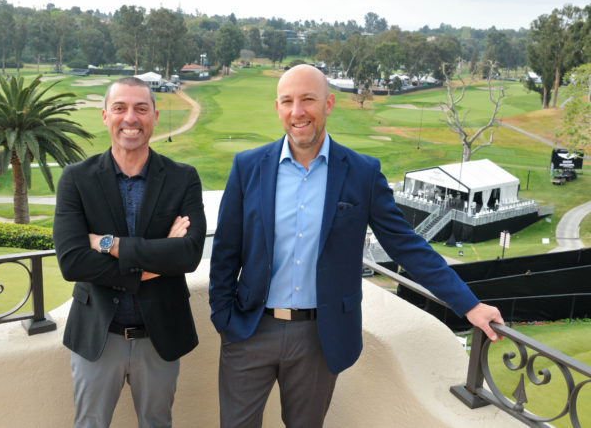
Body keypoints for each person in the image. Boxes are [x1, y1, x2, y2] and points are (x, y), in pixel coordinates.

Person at [208, 64, 503, 428]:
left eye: (308, 100)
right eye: (287, 101)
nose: (297, 112)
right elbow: (225, 249)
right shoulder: (248, 166)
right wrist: (223, 318)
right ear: (278, 107)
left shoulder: (361, 172)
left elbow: (404, 244)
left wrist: (468, 304)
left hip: (319, 337)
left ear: (328, 103)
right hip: (250, 328)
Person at [53, 77, 206, 428]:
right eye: (120, 108)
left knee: (157, 423)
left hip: (161, 336)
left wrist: (108, 244)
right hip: (97, 336)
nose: (130, 118)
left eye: (141, 109)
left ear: (154, 115)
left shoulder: (183, 178)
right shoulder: (76, 178)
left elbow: (188, 254)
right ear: (105, 116)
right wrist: (155, 261)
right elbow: (72, 261)